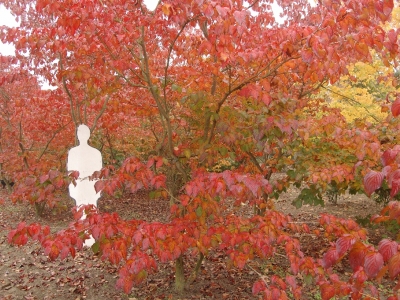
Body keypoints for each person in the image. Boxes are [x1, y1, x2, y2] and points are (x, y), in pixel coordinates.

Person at [67, 124, 102, 246]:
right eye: (79, 133)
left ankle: (92, 237)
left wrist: (98, 188)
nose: (81, 135)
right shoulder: (73, 152)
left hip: (91, 185)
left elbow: (99, 173)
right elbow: (70, 171)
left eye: (84, 133)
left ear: (88, 135)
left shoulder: (96, 153)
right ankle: (82, 237)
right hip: (80, 185)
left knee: (92, 210)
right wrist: (73, 186)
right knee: (80, 210)